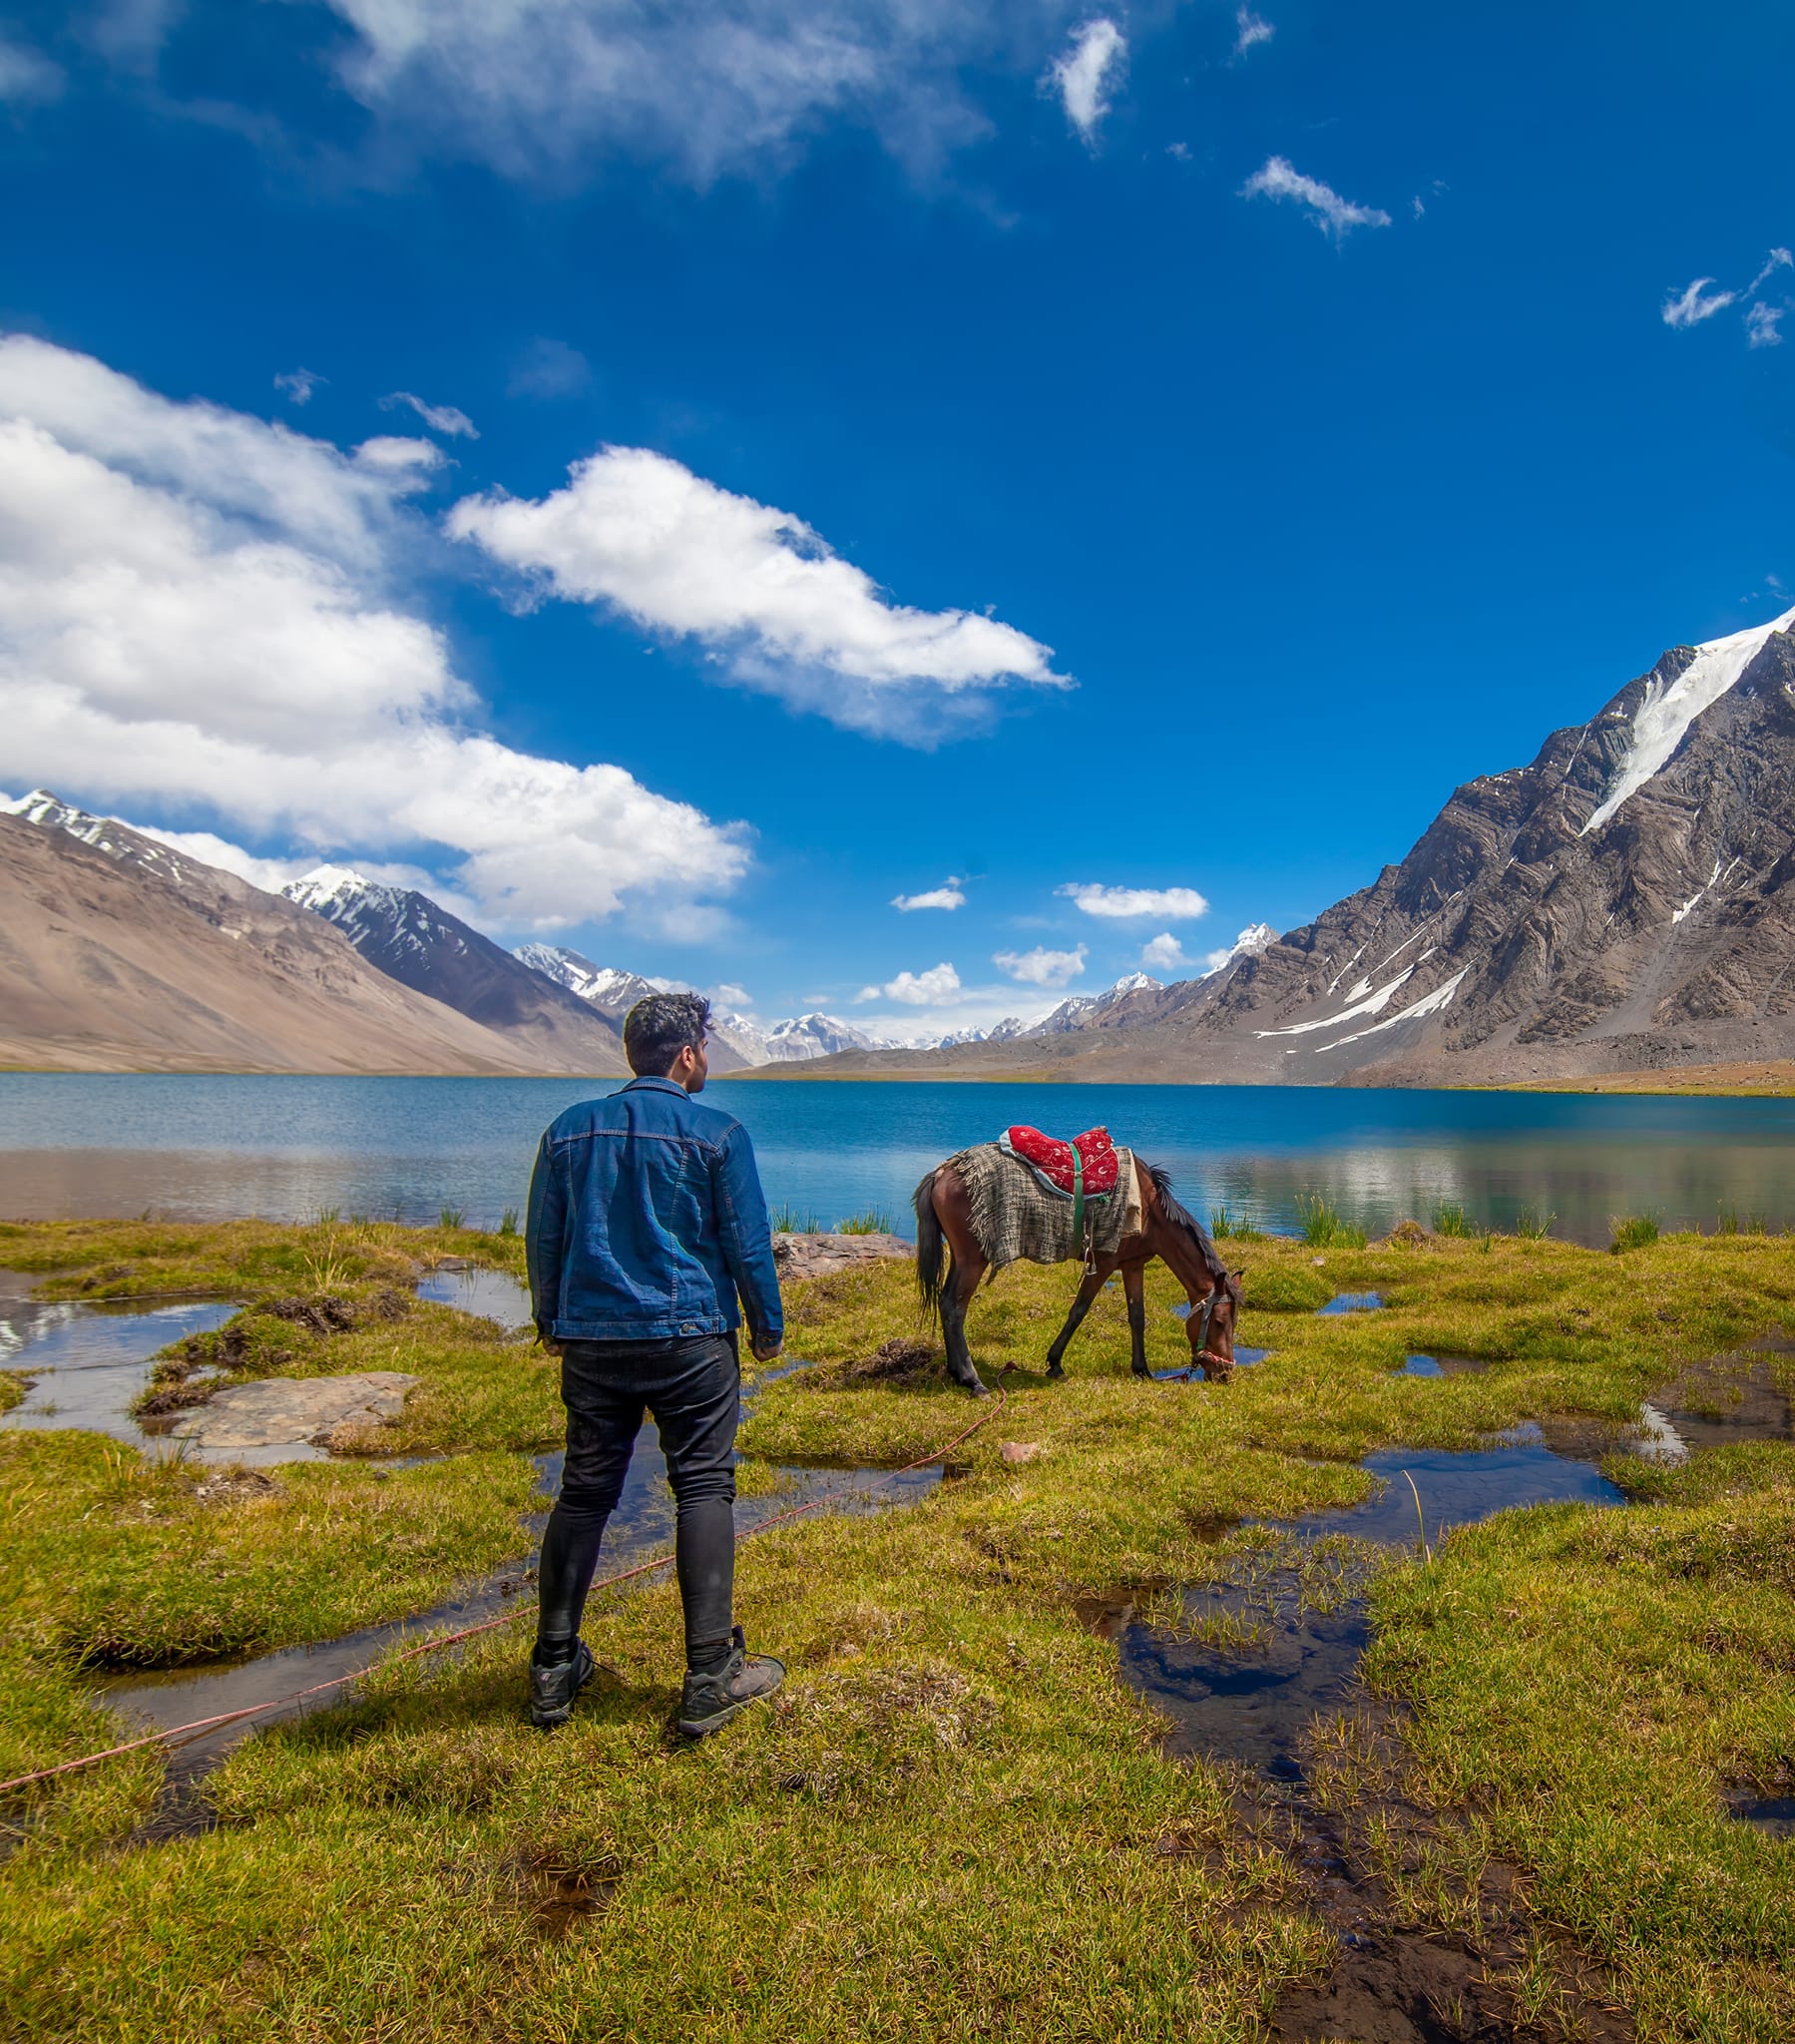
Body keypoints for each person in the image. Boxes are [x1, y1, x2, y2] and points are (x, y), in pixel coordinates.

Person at [524, 990, 787, 1737]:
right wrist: (765, 1327)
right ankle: (709, 1673)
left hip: (592, 1341)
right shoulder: (718, 1132)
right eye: (705, 1047)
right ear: (686, 1056)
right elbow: (745, 1242)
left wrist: (551, 1320)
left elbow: (546, 1238)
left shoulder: (567, 1131)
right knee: (703, 1487)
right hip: (691, 1340)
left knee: (583, 1494)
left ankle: (552, 1669)